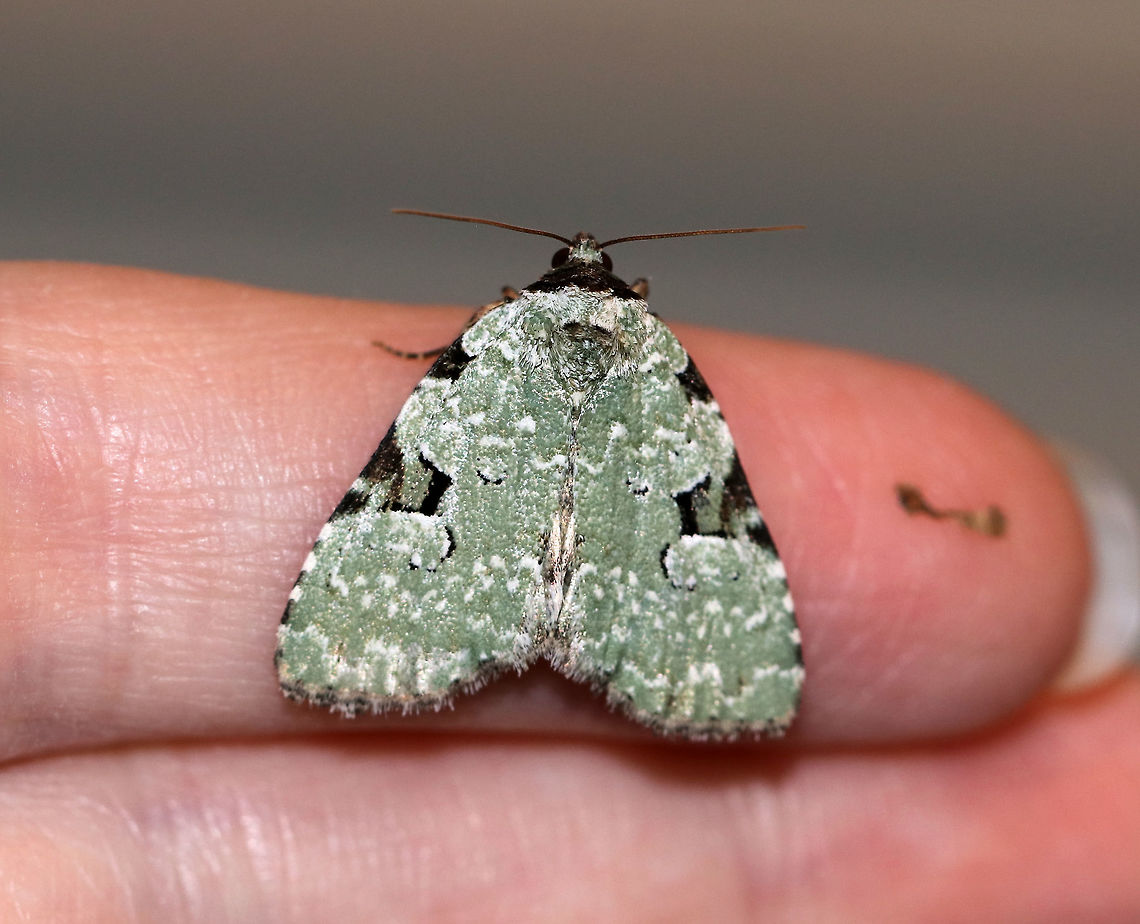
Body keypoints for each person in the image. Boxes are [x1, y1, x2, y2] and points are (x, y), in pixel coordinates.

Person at [3, 262, 1137, 918]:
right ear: (628, 295)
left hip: (469, 477)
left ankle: (448, 629)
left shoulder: (489, 338)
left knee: (421, 489)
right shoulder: (660, 363)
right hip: (651, 506)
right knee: (707, 517)